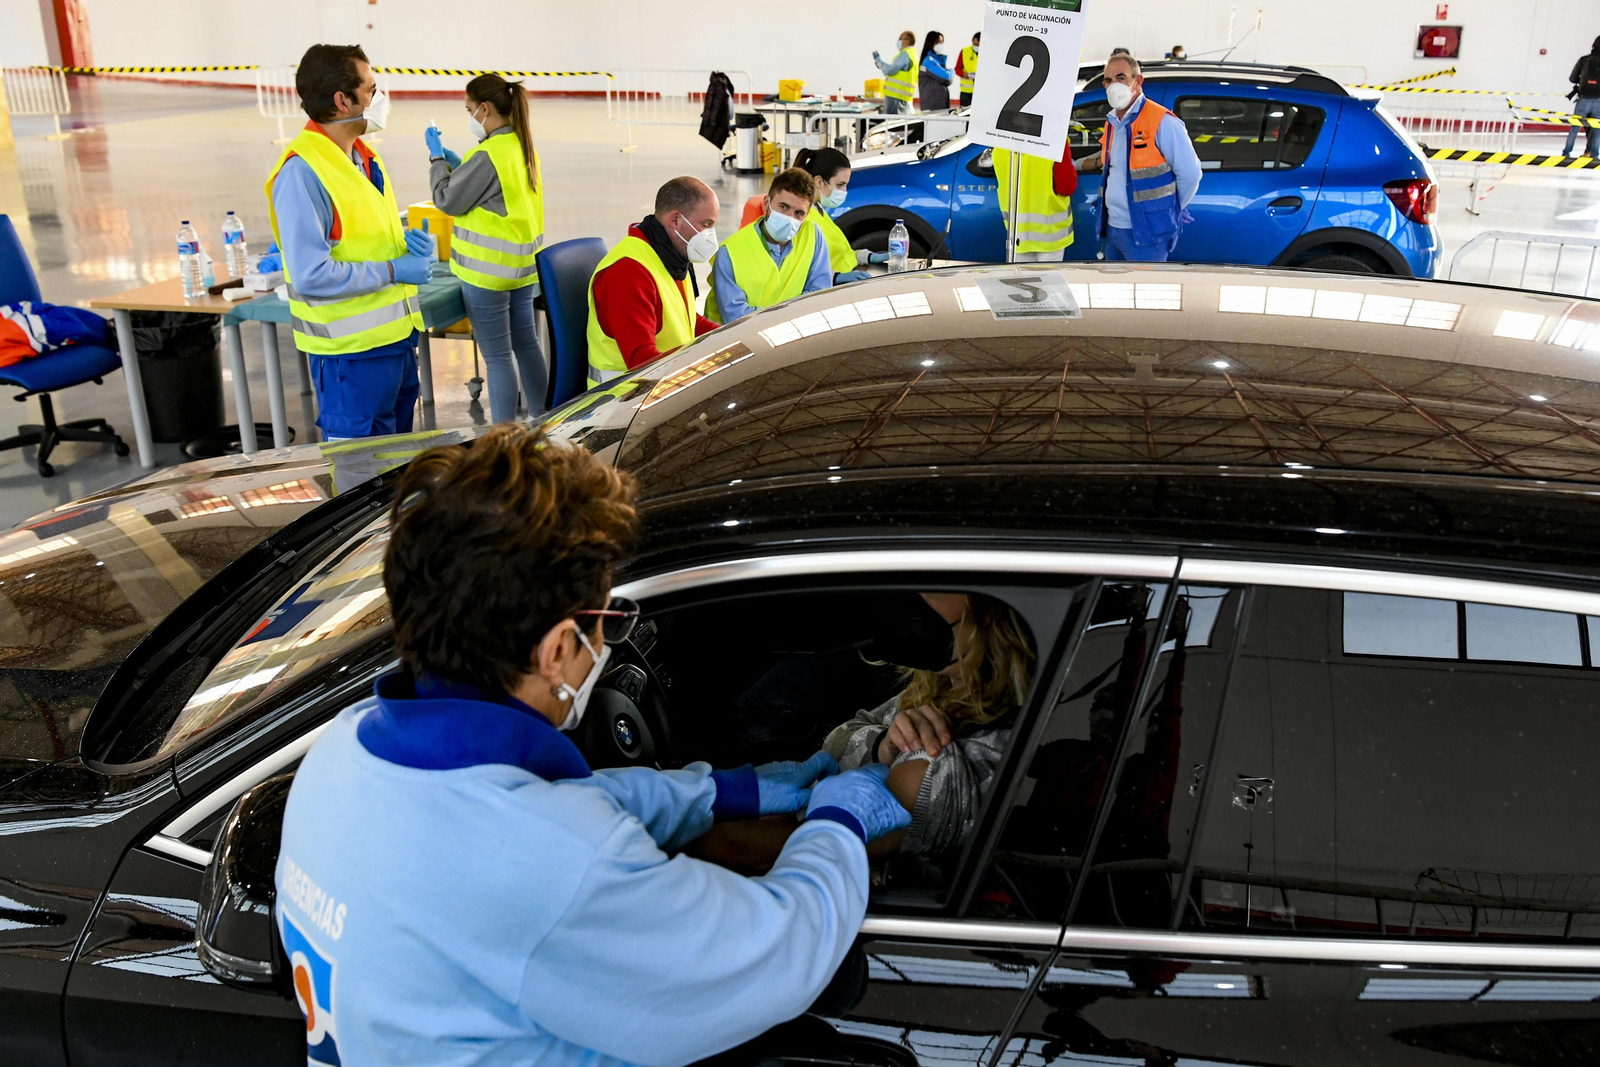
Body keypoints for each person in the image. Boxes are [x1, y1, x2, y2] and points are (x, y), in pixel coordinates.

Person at [274, 424, 910, 1066]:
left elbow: (534, 811)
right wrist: (839, 823)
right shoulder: (550, 863)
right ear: (557, 650)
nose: (605, 646)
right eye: (605, 622)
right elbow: (772, 955)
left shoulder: (340, 755)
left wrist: (716, 791)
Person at [265, 44, 430, 440]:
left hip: (394, 347)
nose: (379, 98)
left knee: (397, 470)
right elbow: (310, 275)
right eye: (371, 90)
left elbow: (359, 236)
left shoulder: (362, 157)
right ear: (343, 102)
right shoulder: (302, 173)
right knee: (362, 473)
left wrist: (404, 245)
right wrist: (393, 270)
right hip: (350, 360)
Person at [826, 593, 1035, 857]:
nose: (919, 598)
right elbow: (834, 744)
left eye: (937, 587)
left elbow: (810, 844)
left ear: (989, 615)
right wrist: (883, 746)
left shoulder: (970, 756)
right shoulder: (928, 693)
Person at [426, 74, 547, 423]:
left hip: (487, 275)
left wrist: (437, 160)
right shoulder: (521, 147)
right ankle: (542, 420)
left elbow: (447, 199)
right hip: (521, 271)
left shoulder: (487, 155)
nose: (469, 117)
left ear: (484, 109)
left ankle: (503, 437)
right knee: (526, 344)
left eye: (469, 110)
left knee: (497, 357)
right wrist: (461, 165)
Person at [586, 176, 720, 386]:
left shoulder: (670, 256)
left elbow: (684, 319)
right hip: (624, 395)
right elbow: (642, 361)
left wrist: (730, 336)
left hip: (661, 382)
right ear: (676, 219)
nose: (711, 235)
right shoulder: (628, 272)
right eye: (706, 224)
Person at [1077, 53, 1202, 262]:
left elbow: (1190, 174)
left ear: (1138, 81)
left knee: (1144, 284)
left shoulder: (1162, 121)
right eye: (1108, 80)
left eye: (1121, 78)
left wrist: (1171, 209)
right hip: (1113, 228)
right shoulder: (1112, 122)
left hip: (1147, 234)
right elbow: (1110, 163)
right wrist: (1076, 164)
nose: (1113, 85)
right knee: (1113, 283)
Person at [707, 167, 831, 324]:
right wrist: (789, 320)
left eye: (799, 213)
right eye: (783, 207)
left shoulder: (812, 236)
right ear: (767, 203)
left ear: (807, 215)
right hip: (736, 336)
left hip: (789, 333)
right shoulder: (730, 252)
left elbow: (817, 298)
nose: (789, 218)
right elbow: (736, 317)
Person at [795, 147, 890, 284]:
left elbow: (839, 255)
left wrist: (866, 257)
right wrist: (835, 277)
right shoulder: (802, 218)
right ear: (819, 182)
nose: (844, 191)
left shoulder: (818, 210)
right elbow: (801, 268)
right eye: (840, 185)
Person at [995, 144, 1078, 262]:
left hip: (1018, 234)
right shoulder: (1055, 143)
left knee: (1020, 273)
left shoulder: (1000, 146)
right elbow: (1067, 187)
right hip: (1050, 235)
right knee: (1048, 274)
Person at [1564, 36, 1600, 159]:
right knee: (1597, 129)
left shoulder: (1584, 60)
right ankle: (1594, 155)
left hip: (1583, 98)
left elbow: (1572, 78)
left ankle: (1566, 153)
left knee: (1575, 127)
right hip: (1598, 100)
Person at [873, 32, 917, 115]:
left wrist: (879, 60)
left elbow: (889, 70)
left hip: (895, 97)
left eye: (901, 39)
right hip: (904, 97)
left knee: (891, 121)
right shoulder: (913, 54)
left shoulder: (905, 54)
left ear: (907, 41)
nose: (899, 41)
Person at [918, 31, 955, 113]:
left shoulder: (938, 60)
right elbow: (946, 77)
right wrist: (952, 71)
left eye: (942, 42)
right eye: (938, 42)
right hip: (932, 106)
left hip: (939, 104)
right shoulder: (929, 61)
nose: (940, 45)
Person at [956, 33, 980, 108]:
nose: (975, 46)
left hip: (981, 92)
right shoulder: (964, 51)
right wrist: (963, 74)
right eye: (974, 44)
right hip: (966, 92)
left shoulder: (988, 53)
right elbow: (957, 69)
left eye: (977, 45)